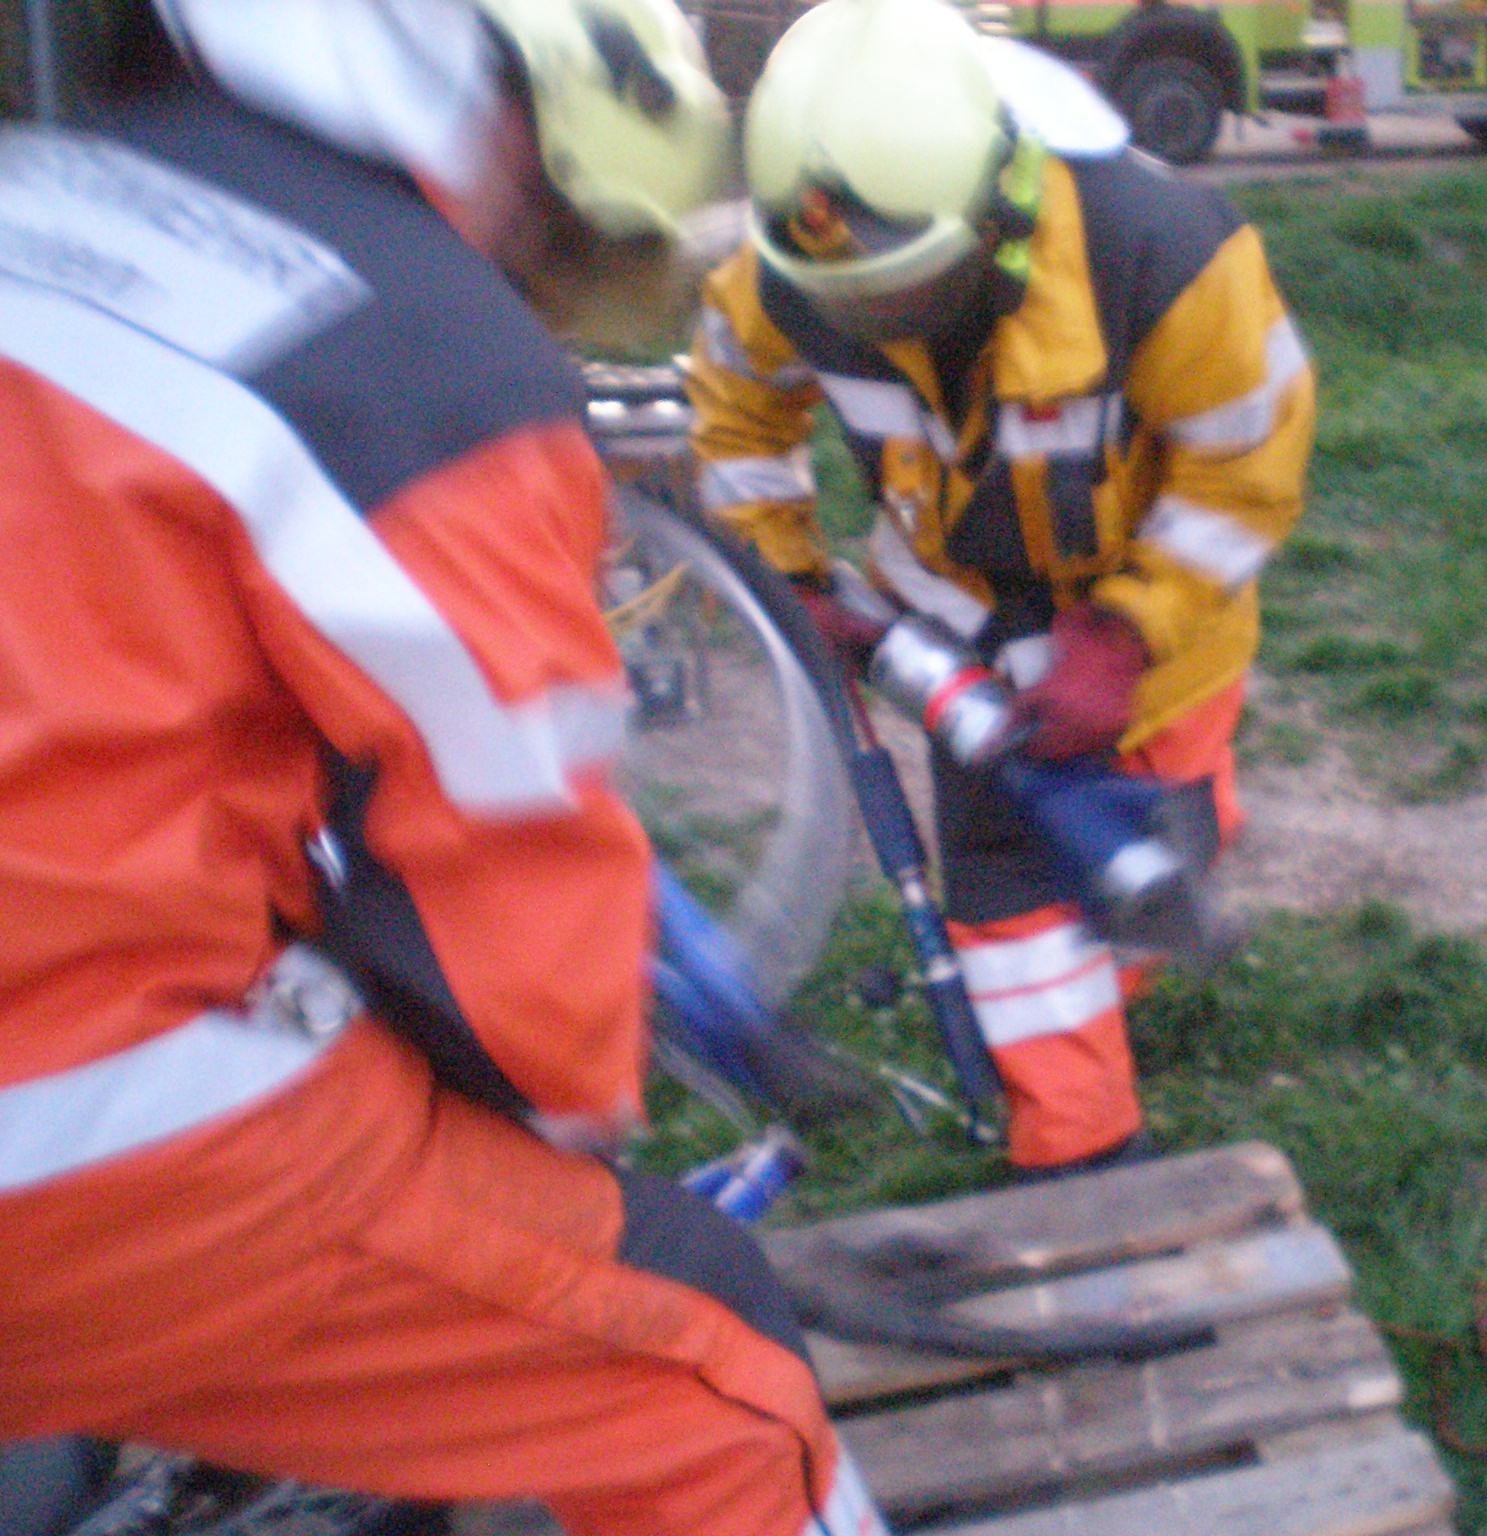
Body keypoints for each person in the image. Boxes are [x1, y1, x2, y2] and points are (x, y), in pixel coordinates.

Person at [0, 4, 885, 1534]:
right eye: (548, 209)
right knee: (706, 1365)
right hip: (87, 1145)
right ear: (501, 97)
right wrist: (559, 1112)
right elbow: (515, 926)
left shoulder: (41, 196)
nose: (519, 256)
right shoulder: (415, 353)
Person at [685, 0, 1315, 1176]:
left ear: (998, 213)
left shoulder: (1163, 256)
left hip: (1158, 647)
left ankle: (1100, 964)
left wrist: (1122, 639)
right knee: (1011, 908)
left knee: (1155, 858)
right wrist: (787, 579)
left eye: (902, 293)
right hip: (955, 630)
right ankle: (1082, 1156)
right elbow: (733, 412)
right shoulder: (794, 266)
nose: (868, 322)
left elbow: (1245, 466)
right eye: (846, 302)